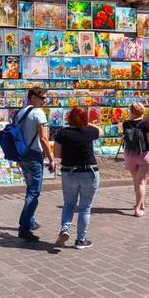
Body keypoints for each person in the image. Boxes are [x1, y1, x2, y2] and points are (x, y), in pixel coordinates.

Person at [53, 106, 103, 249]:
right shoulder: (89, 131)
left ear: (69, 118)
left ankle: (65, 228)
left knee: (69, 204)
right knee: (85, 208)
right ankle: (81, 240)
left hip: (69, 172)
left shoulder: (62, 133)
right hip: (89, 172)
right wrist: (87, 123)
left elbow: (57, 154)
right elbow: (101, 130)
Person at [16, 87, 55, 241]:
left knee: (30, 189)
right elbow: (43, 139)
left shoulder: (21, 111)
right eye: (42, 98)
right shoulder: (38, 113)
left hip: (23, 154)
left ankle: (30, 221)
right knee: (34, 192)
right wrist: (51, 158)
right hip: (33, 155)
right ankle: (24, 228)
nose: (44, 101)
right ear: (33, 98)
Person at [123, 102, 149, 217]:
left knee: (136, 181)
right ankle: (137, 209)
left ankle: (141, 203)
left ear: (131, 112)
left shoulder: (125, 124)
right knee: (142, 182)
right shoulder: (146, 125)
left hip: (130, 155)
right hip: (144, 154)